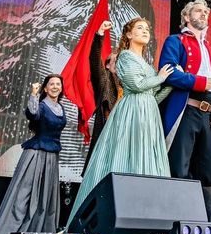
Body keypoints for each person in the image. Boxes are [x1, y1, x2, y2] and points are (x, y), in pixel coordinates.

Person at [69, 17, 174, 218]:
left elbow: (152, 96)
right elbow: (136, 85)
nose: (145, 31)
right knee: (127, 158)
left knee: (145, 159)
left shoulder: (145, 63)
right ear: (128, 34)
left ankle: (145, 213)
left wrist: (169, 85)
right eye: (139, 28)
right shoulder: (125, 56)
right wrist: (160, 78)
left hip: (148, 115)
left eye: (147, 28)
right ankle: (115, 212)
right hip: (132, 114)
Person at [159, 0, 211, 213]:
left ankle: (200, 229)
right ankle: (175, 226)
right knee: (178, 166)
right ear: (186, 17)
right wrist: (200, 82)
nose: (204, 14)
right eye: (198, 11)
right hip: (186, 110)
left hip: (209, 116)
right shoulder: (175, 41)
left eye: (206, 12)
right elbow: (167, 71)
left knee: (208, 171)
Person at [0, 74, 66, 234]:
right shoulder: (42, 105)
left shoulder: (60, 107)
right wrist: (33, 94)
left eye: (58, 84)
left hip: (52, 157)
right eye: (51, 84)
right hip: (36, 154)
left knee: (46, 198)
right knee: (24, 194)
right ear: (45, 88)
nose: (54, 87)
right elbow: (33, 114)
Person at [83, 21, 121, 172]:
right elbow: (94, 58)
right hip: (108, 133)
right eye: (116, 61)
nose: (120, 64)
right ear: (107, 65)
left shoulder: (130, 82)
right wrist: (100, 34)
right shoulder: (104, 79)